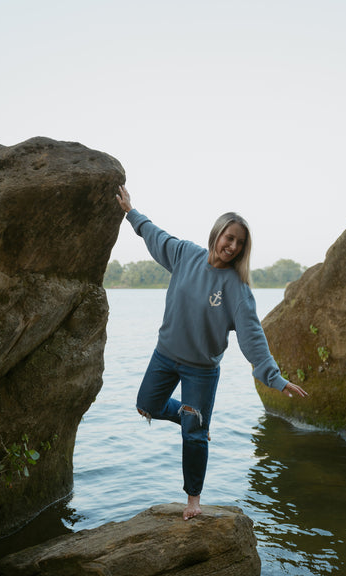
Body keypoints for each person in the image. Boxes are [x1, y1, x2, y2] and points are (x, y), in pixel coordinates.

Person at [116, 185, 308, 521]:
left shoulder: (237, 288)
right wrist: (131, 212)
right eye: (229, 238)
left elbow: (252, 336)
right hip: (165, 355)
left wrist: (275, 379)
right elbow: (154, 235)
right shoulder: (185, 254)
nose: (232, 247)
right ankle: (194, 419)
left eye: (239, 243)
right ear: (217, 234)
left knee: (192, 436)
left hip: (201, 370)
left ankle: (193, 499)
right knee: (146, 406)